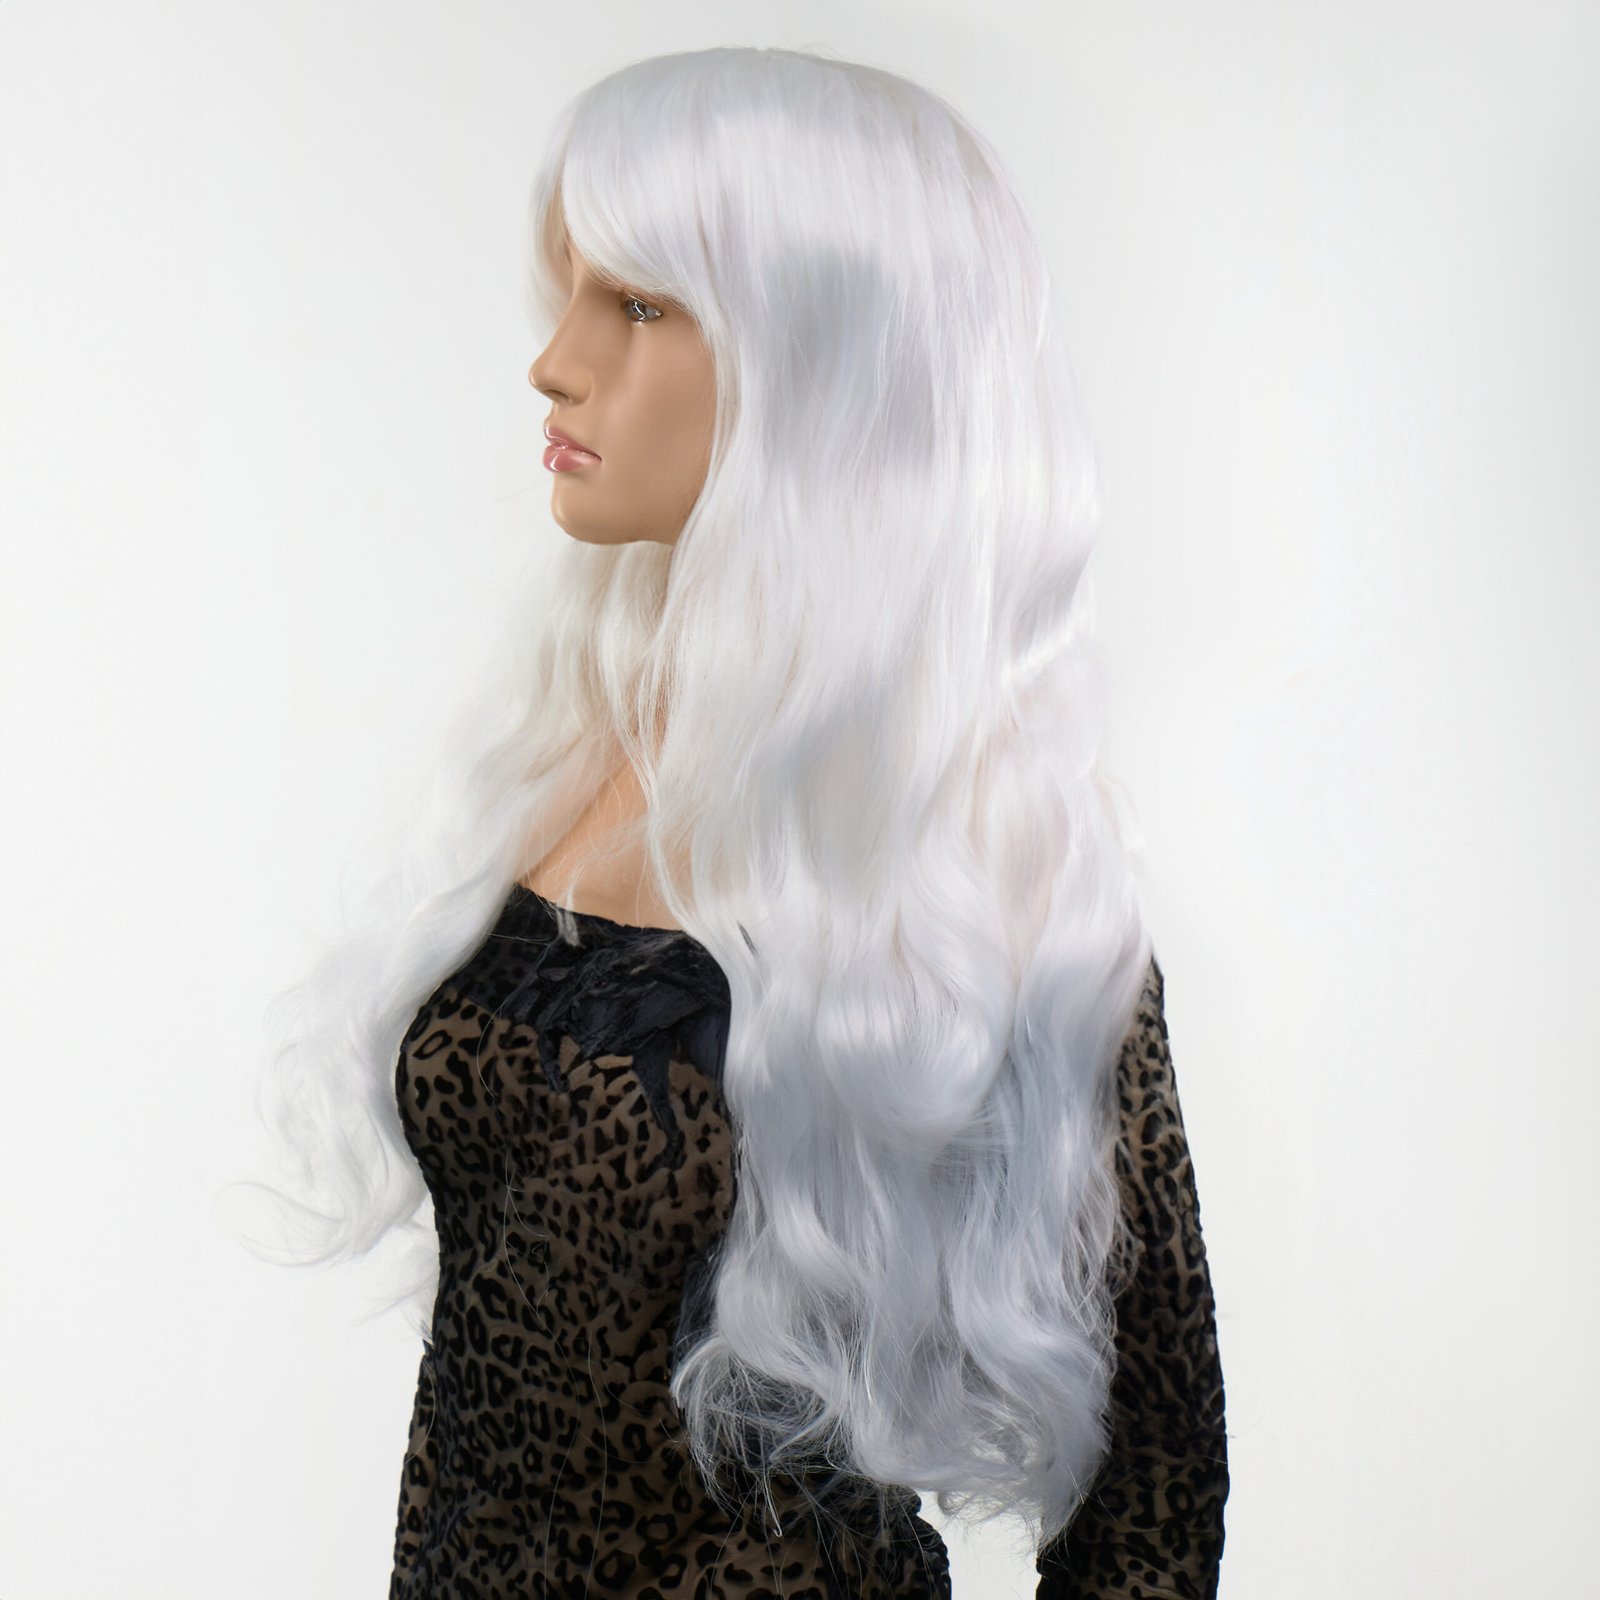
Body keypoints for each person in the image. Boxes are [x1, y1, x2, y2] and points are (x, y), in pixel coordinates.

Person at [225, 45, 1228, 1599]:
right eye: (571, 292)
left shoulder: (988, 872)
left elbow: (1153, 1486)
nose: (555, 361)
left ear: (818, 363)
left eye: (636, 306)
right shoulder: (570, 752)